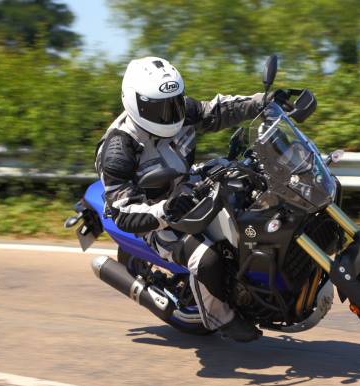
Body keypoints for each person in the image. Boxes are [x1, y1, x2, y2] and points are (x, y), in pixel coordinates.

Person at [95, 56, 287, 342]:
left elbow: (217, 110)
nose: (170, 113)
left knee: (252, 199)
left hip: (187, 186)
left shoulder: (178, 109)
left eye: (174, 102)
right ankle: (220, 316)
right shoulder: (119, 149)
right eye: (159, 108)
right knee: (207, 258)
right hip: (154, 216)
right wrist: (164, 211)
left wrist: (263, 101)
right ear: (136, 103)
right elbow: (123, 212)